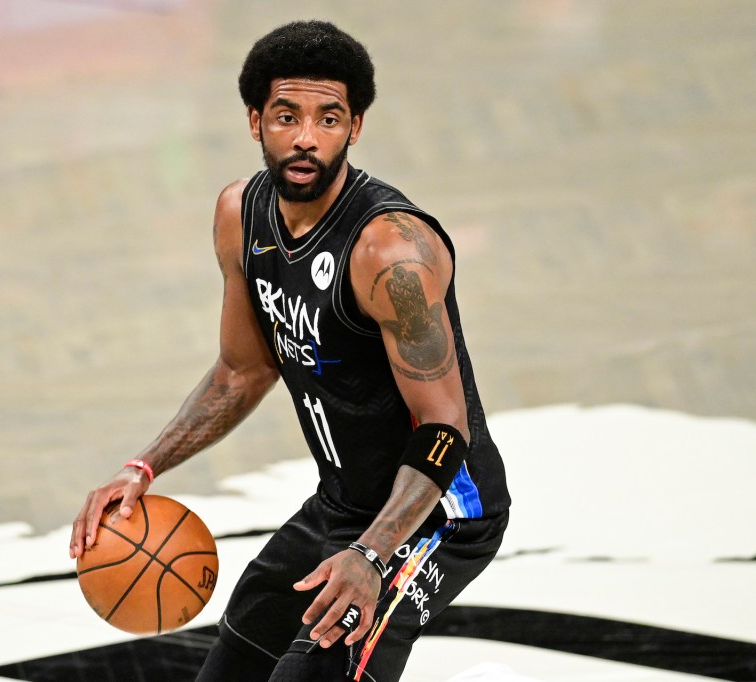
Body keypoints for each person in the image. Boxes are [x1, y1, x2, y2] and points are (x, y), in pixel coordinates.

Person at [70, 20, 510, 682]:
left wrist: (371, 554)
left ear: (355, 127)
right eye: (287, 115)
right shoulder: (240, 216)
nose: (307, 136)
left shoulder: (392, 255)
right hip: (345, 502)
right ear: (255, 121)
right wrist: (145, 465)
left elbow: (446, 426)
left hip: (440, 515)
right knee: (241, 649)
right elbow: (243, 369)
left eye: (328, 117)